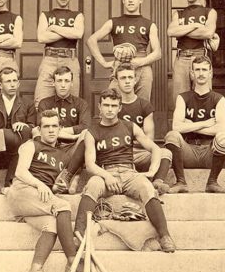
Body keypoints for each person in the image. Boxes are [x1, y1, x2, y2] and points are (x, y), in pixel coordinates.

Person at [73, 89, 176, 253]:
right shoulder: (92, 131)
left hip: (129, 172)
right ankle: (78, 235)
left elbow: (155, 149)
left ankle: (164, 236)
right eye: (106, 105)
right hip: (105, 172)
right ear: (99, 106)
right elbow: (90, 164)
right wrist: (107, 176)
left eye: (114, 105)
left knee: (147, 187)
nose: (109, 109)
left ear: (120, 108)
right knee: (92, 185)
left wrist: (151, 172)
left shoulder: (129, 126)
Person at [7, 110, 79, 272]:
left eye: (55, 126)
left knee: (51, 225)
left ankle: (34, 270)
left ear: (61, 128)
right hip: (23, 191)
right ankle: (74, 262)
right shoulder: (31, 145)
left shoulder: (62, 155)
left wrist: (55, 187)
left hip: (37, 200)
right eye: (46, 126)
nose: (51, 130)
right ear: (39, 129)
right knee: (63, 207)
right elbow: (20, 171)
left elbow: (51, 183)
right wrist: (40, 185)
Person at [164, 56, 225, 194]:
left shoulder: (219, 98)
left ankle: (212, 182)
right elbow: (177, 127)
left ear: (210, 73)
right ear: (192, 73)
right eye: (197, 70)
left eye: (204, 70)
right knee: (172, 136)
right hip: (188, 151)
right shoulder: (183, 97)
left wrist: (191, 125)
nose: (201, 73)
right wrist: (206, 124)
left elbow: (221, 128)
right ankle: (180, 182)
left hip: (210, 152)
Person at [86, 0, 162, 101]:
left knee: (142, 105)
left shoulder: (149, 24)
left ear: (140, 0)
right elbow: (91, 40)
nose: (130, 0)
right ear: (123, 0)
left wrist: (140, 62)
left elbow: (157, 53)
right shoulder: (114, 22)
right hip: (120, 64)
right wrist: (104, 63)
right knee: (113, 103)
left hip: (142, 66)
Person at [114, 63, 172, 195]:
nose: (127, 81)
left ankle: (157, 183)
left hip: (140, 152)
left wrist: (130, 139)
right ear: (117, 81)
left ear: (135, 80)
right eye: (123, 78)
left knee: (165, 153)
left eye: (130, 77)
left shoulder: (144, 105)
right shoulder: (113, 105)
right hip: (119, 154)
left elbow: (149, 139)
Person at [0, 67, 35, 194]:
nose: (13, 84)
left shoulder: (28, 104)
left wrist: (24, 125)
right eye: (8, 81)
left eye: (15, 81)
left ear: (19, 83)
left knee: (26, 134)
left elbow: (33, 127)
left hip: (17, 155)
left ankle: (10, 181)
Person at [36, 66, 90, 194]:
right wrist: (72, 135)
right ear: (53, 83)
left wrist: (63, 132)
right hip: (51, 148)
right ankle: (71, 178)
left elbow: (86, 126)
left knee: (86, 135)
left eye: (66, 81)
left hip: (72, 149)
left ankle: (69, 176)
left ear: (72, 83)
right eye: (59, 81)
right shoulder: (45, 103)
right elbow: (42, 128)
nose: (63, 85)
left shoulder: (81, 103)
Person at [34, 0, 84, 108]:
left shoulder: (77, 15)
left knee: (71, 102)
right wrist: (68, 32)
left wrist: (54, 27)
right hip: (49, 59)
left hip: (70, 59)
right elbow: (42, 37)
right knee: (41, 101)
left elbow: (78, 34)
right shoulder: (46, 15)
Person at [167, 0, 220, 96]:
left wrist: (183, 31)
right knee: (180, 98)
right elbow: (171, 31)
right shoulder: (178, 13)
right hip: (181, 58)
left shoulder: (210, 12)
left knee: (202, 97)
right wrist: (195, 25)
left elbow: (208, 32)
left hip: (200, 56)